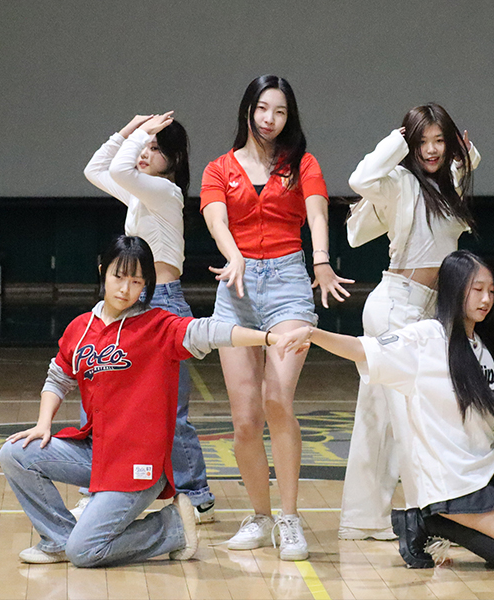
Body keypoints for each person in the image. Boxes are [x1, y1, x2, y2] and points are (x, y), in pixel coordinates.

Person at [276, 250, 494, 571]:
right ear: (454, 289)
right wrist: (312, 334)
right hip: (453, 483)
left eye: (491, 291)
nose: (486, 299)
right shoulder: (424, 338)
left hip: (485, 463)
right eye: (477, 290)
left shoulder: (481, 342)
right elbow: (362, 349)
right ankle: (432, 522)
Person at [0, 236, 284, 567]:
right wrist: (43, 423)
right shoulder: (81, 328)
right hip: (97, 454)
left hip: (139, 466)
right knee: (15, 454)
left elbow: (210, 332)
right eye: (119, 277)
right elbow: (58, 378)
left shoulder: (158, 327)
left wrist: (268, 338)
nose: (125, 289)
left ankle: (172, 528)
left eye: (136, 282)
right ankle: (58, 540)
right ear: (103, 271)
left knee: (85, 552)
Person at [199, 74, 352, 561]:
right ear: (248, 110)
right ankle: (260, 516)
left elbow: (317, 214)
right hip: (237, 289)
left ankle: (289, 518)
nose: (270, 119)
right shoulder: (219, 168)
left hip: (288, 284)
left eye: (280, 111)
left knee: (277, 399)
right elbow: (216, 219)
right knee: (245, 420)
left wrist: (321, 259)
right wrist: (234, 256)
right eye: (263, 108)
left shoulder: (302, 163)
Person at [339, 103, 481, 541]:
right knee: (387, 415)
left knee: (407, 416)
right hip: (396, 306)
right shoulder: (400, 182)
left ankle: (385, 517)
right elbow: (360, 179)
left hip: (432, 311)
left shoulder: (450, 186)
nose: (431, 150)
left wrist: (461, 151)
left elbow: (470, 160)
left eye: (439, 141)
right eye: (422, 142)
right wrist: (397, 140)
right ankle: (375, 519)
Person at [82, 112, 216, 523]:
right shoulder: (142, 195)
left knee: (169, 412)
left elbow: (118, 169)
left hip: (162, 305)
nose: (145, 152)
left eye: (156, 148)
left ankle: (196, 495)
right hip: (132, 305)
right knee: (110, 400)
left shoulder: (165, 192)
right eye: (144, 147)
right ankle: (102, 487)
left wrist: (140, 132)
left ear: (174, 158)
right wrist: (129, 130)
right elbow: (95, 170)